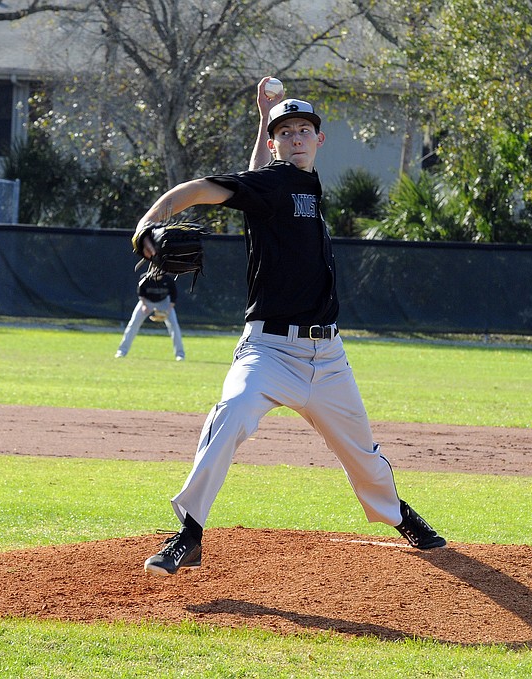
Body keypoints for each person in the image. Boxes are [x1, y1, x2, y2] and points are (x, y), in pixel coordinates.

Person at [138, 76, 446, 576]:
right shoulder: (277, 181)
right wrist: (147, 226)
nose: (297, 137)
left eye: (304, 129)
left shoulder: (301, 185)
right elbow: (196, 190)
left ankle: (399, 515)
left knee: (362, 452)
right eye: (286, 131)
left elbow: (259, 179)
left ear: (319, 139)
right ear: (278, 142)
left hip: (328, 358)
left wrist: (266, 116)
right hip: (268, 353)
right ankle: (189, 534)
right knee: (229, 417)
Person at [115, 271, 185, 361]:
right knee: (133, 323)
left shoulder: (168, 280)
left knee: (174, 326)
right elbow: (140, 293)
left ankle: (180, 355)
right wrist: (144, 305)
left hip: (164, 302)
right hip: (147, 301)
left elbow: (173, 297)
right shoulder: (145, 278)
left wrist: (168, 310)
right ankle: (121, 351)